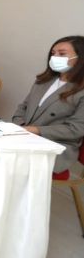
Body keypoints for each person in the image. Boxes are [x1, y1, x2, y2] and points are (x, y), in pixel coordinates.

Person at [12, 35, 84, 174]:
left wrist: (35, 130)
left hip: (55, 146)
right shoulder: (43, 81)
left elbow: (76, 129)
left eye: (62, 54)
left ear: (80, 58)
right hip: (24, 136)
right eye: (53, 53)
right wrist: (20, 125)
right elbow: (23, 107)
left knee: (9, 165)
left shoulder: (80, 90)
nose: (55, 57)